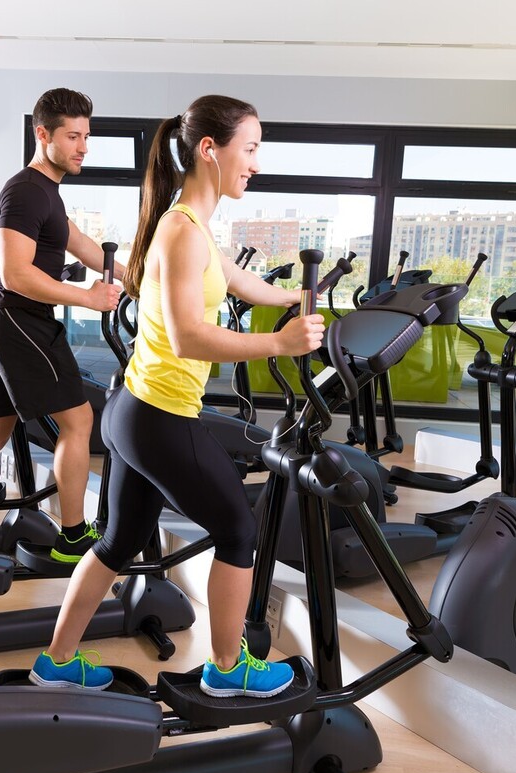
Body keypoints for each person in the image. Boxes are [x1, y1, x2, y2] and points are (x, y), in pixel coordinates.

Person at [29, 95, 326, 697]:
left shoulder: (187, 224)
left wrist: (295, 301)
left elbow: (238, 280)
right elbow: (190, 336)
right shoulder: (183, 231)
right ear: (210, 150)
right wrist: (279, 343)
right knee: (239, 531)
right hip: (160, 416)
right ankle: (227, 669)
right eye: (250, 149)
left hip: (132, 411)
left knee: (115, 543)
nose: (257, 163)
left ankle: (55, 662)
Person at [0, 88, 122, 559]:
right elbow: (18, 273)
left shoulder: (47, 194)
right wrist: (87, 297)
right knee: (79, 419)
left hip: (0, 321)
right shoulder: (25, 190)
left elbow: (81, 244)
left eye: (86, 136)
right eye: (72, 136)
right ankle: (72, 536)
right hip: (18, 319)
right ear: (42, 134)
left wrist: (139, 279)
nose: (83, 146)